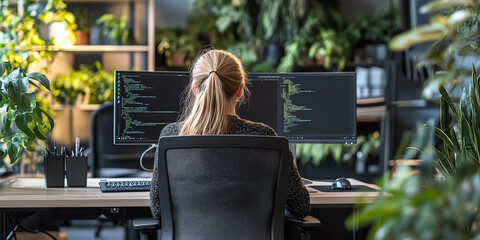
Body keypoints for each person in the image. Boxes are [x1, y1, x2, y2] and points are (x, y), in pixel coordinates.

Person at [150, 48, 310, 220]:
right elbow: (300, 206)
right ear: (240, 90)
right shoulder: (264, 136)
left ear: (195, 89)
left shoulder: (172, 135)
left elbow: (158, 208)